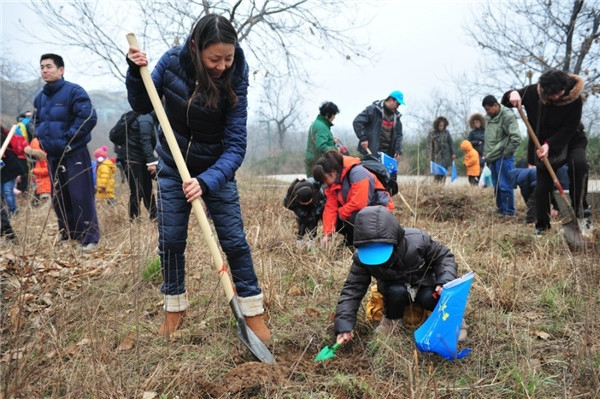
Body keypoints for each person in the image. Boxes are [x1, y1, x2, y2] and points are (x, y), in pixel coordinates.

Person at [126, 14, 270, 342]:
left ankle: (252, 313)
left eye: (228, 58)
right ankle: (174, 308)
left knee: (234, 241)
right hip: (172, 167)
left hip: (216, 169)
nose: (222, 66)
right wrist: (136, 72)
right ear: (195, 48)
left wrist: (206, 181)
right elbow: (141, 104)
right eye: (214, 59)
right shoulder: (172, 63)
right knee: (172, 241)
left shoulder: (236, 77)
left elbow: (235, 146)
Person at [334, 206, 466, 345]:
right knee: (395, 292)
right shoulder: (361, 258)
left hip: (424, 283)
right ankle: (392, 321)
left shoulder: (418, 241)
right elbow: (352, 289)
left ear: (395, 239)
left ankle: (451, 321)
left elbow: (444, 257)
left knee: (429, 297)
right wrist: (344, 326)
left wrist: (444, 281)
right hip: (394, 288)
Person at [502, 69, 588, 235]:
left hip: (571, 140)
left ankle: (580, 207)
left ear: (565, 88)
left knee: (579, 164)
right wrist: (512, 94)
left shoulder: (574, 99)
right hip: (542, 145)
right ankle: (542, 225)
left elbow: (569, 127)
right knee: (542, 186)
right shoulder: (534, 92)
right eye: (551, 94)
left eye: (558, 93)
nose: (555, 97)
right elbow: (508, 99)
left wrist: (550, 144)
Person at [33, 53, 100, 251]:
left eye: (49, 66)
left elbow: (88, 117)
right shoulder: (40, 97)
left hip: (74, 153)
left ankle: (90, 238)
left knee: (80, 195)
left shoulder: (74, 91)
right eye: (42, 67)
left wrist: (68, 139)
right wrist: (43, 142)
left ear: (61, 70)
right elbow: (37, 123)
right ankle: (69, 235)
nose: (45, 70)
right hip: (53, 155)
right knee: (60, 198)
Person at [311, 150, 394, 246]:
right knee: (328, 213)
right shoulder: (332, 184)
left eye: (325, 179)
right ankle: (351, 241)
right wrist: (328, 234)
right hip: (358, 211)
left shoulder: (358, 173)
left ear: (333, 172)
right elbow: (330, 208)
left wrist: (341, 212)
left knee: (356, 217)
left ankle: (367, 243)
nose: (325, 183)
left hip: (381, 211)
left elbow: (360, 203)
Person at [481, 95, 522, 218]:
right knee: (497, 185)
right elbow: (490, 138)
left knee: (505, 184)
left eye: (488, 109)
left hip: (504, 157)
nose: (487, 112)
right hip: (492, 156)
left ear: (495, 105)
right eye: (485, 109)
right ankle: (501, 209)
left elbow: (516, 137)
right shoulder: (489, 118)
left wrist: (506, 153)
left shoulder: (507, 116)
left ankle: (509, 212)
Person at [118, 112, 159, 220]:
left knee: (146, 189)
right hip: (133, 159)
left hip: (139, 159)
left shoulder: (144, 117)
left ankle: (154, 216)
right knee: (137, 190)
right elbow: (145, 141)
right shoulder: (145, 119)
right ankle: (134, 219)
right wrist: (151, 162)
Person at [353, 91, 404, 160]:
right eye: (397, 104)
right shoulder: (373, 110)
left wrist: (398, 149)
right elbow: (357, 122)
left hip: (388, 154)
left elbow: (399, 134)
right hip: (371, 151)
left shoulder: (396, 117)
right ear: (391, 100)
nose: (398, 107)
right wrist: (363, 138)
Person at [283, 176, 325, 246]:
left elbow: (322, 200)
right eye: (305, 202)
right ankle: (299, 241)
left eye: (309, 201)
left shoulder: (315, 187)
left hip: (314, 207)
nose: (307, 203)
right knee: (302, 224)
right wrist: (299, 212)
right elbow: (288, 205)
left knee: (313, 221)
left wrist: (318, 211)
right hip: (301, 210)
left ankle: (311, 242)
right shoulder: (291, 194)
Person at [305, 101, 342, 177]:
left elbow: (319, 141)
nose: (334, 117)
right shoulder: (322, 127)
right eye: (334, 114)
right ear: (328, 114)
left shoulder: (318, 123)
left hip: (313, 161)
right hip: (318, 164)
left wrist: (332, 142)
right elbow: (322, 146)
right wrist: (336, 150)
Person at [427, 116, 455, 184]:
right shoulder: (432, 133)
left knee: (444, 172)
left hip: (446, 155)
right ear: (437, 125)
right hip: (436, 156)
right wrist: (429, 154)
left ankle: (442, 185)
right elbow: (429, 145)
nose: (441, 127)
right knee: (437, 173)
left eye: (442, 126)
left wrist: (453, 153)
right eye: (440, 126)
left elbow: (451, 143)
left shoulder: (447, 133)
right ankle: (436, 186)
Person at [25, 137, 52, 204]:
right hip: (42, 184)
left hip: (46, 186)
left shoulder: (44, 159)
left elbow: (47, 170)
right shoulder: (40, 160)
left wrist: (34, 171)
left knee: (45, 203)